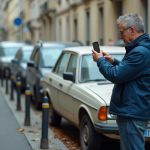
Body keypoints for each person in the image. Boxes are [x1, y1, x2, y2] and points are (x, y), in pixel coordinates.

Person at [92, 13, 150, 150]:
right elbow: (131, 72)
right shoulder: (141, 49)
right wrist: (112, 61)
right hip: (134, 110)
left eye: (121, 32)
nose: (120, 36)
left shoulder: (139, 52)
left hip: (132, 113)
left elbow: (115, 75)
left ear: (132, 30)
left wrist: (100, 61)